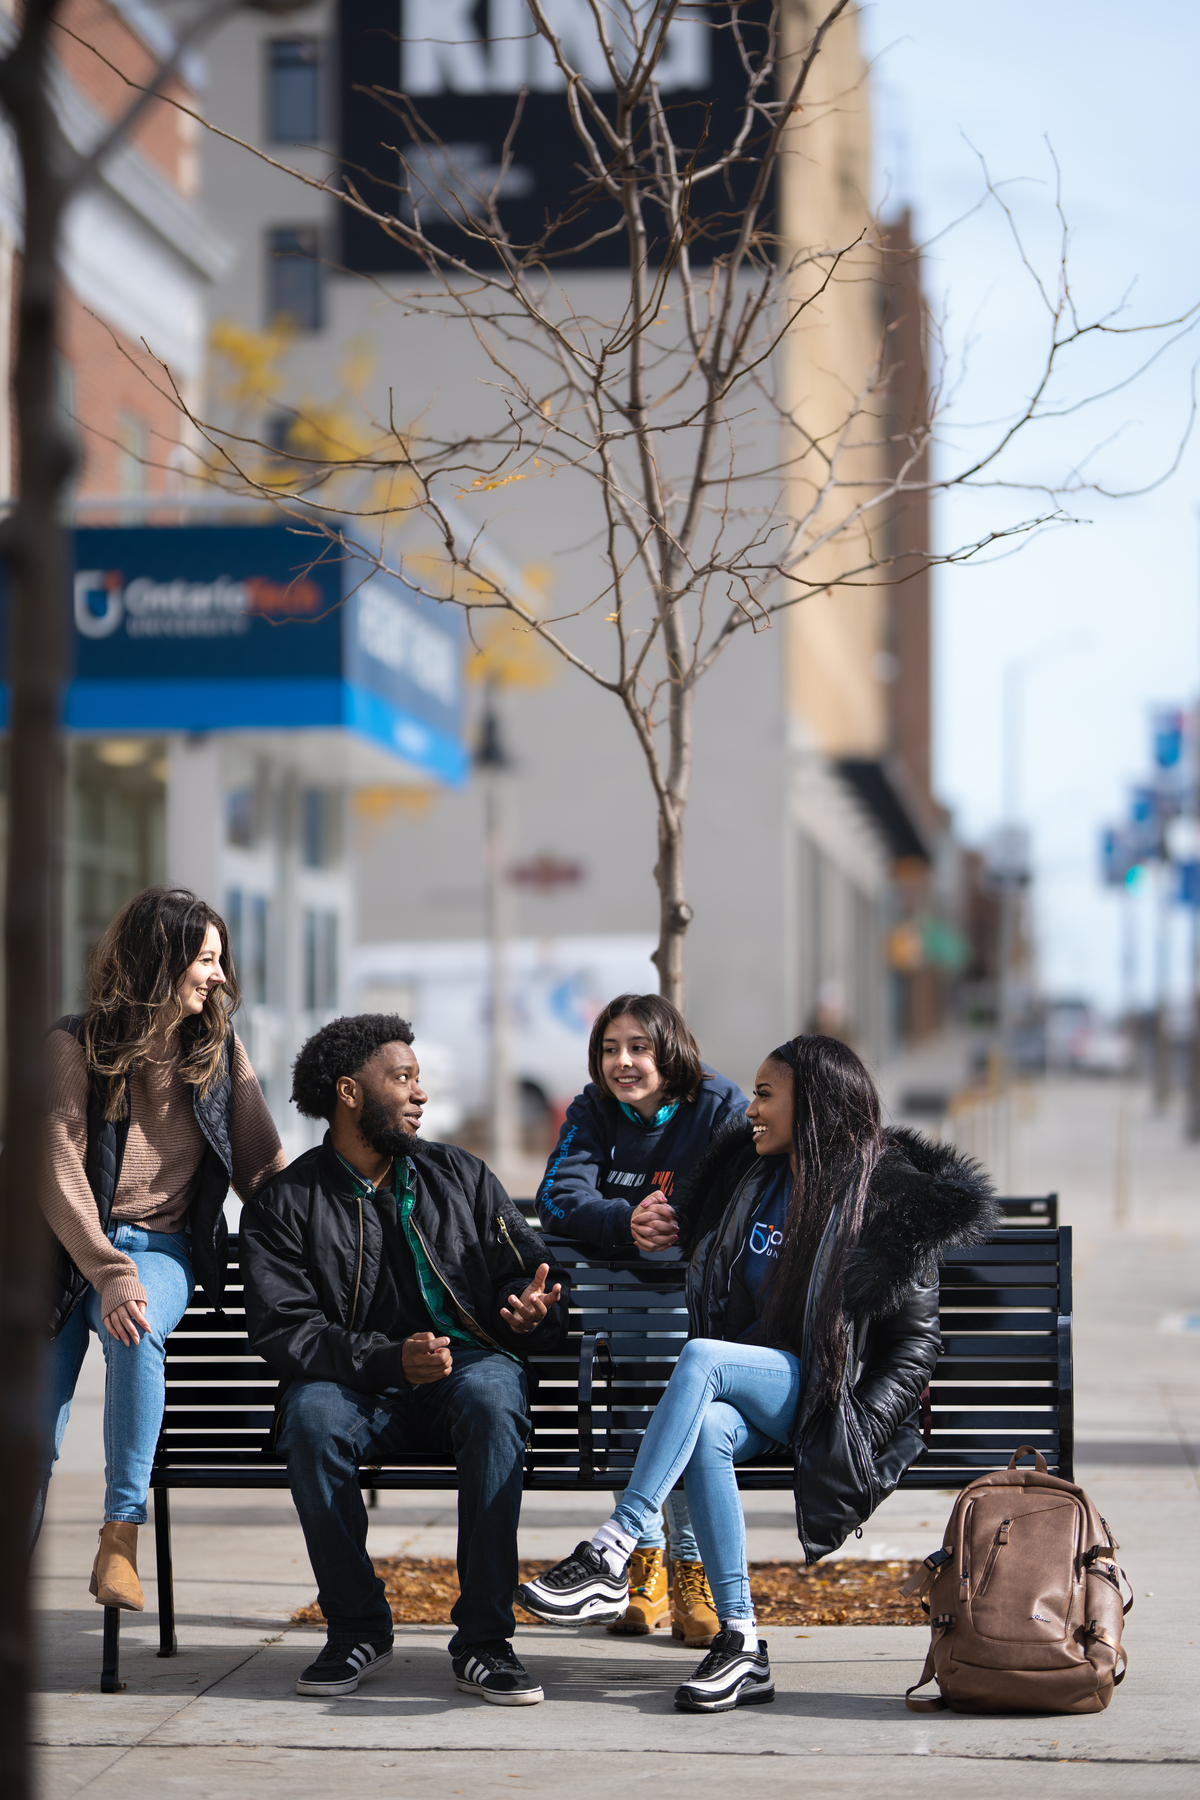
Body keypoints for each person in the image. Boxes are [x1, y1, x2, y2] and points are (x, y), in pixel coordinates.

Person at [518, 1034, 997, 1714]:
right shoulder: (750, 1177)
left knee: (700, 1356)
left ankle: (612, 1548)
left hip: (831, 1397)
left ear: (815, 1105)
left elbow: (916, 1345)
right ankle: (741, 1641)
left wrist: (859, 1422)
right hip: (760, 1391)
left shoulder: (891, 1196)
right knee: (709, 1421)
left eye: (767, 1094)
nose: (750, 1109)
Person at [240, 1014, 571, 1706]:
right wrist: (391, 1361)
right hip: (359, 1386)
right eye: (403, 1078)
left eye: (420, 1080)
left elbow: (526, 1273)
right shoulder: (285, 1204)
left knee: (493, 1397)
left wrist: (530, 1311)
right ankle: (357, 1627)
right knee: (309, 1416)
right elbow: (287, 1330)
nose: (420, 1094)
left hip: (467, 1374)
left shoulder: (463, 1176)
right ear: (349, 1093)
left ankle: (485, 1641)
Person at [36, 887, 285, 1612]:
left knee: (137, 1322)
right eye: (204, 960)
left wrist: (333, 1224)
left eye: (219, 960)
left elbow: (263, 1168)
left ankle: (120, 1537)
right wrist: (104, 1269)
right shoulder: (73, 1045)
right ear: (160, 961)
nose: (219, 976)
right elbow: (57, 1167)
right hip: (60, 1253)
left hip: (158, 1252)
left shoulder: (216, 1054)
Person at [536, 993, 746, 1644]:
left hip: (696, 1307)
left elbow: (736, 1186)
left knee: (670, 1416)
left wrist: (673, 1213)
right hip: (620, 1305)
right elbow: (558, 1197)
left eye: (638, 1048)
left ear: (670, 1050)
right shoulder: (593, 1110)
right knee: (631, 1414)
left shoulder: (718, 1106)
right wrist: (625, 1221)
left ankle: (688, 1571)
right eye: (609, 1048)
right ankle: (650, 1570)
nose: (622, 1062)